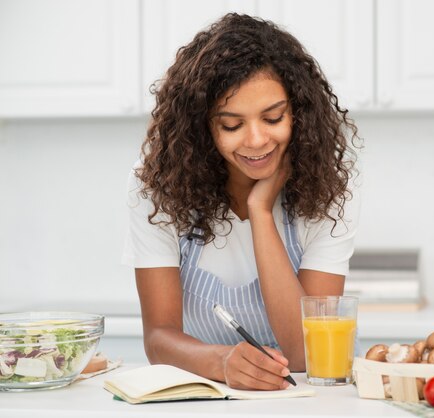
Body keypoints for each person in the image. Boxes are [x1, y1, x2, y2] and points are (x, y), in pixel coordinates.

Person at [122, 13, 361, 391]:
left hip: (313, 400)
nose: (256, 140)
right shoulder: (157, 185)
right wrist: (221, 361)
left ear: (298, 113)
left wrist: (260, 211)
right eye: (231, 125)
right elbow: (158, 337)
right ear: (202, 127)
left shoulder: (329, 187)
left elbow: (304, 355)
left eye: (273, 117)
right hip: (208, 397)